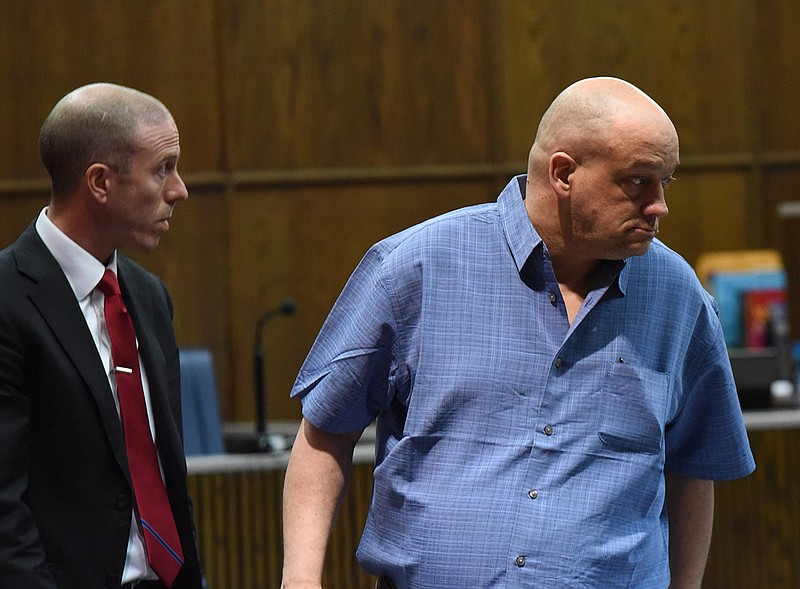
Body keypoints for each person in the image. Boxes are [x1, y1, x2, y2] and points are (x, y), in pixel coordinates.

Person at [281, 76, 756, 589]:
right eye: (639, 181)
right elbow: (326, 432)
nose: (659, 204)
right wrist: (301, 580)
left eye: (666, 182)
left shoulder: (678, 295)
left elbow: (694, 468)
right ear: (564, 173)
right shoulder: (416, 267)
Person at [0, 83, 204, 589]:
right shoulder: (6, 299)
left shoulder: (149, 296)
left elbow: (163, 476)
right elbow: (4, 506)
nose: (179, 190)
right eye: (163, 169)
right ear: (100, 182)